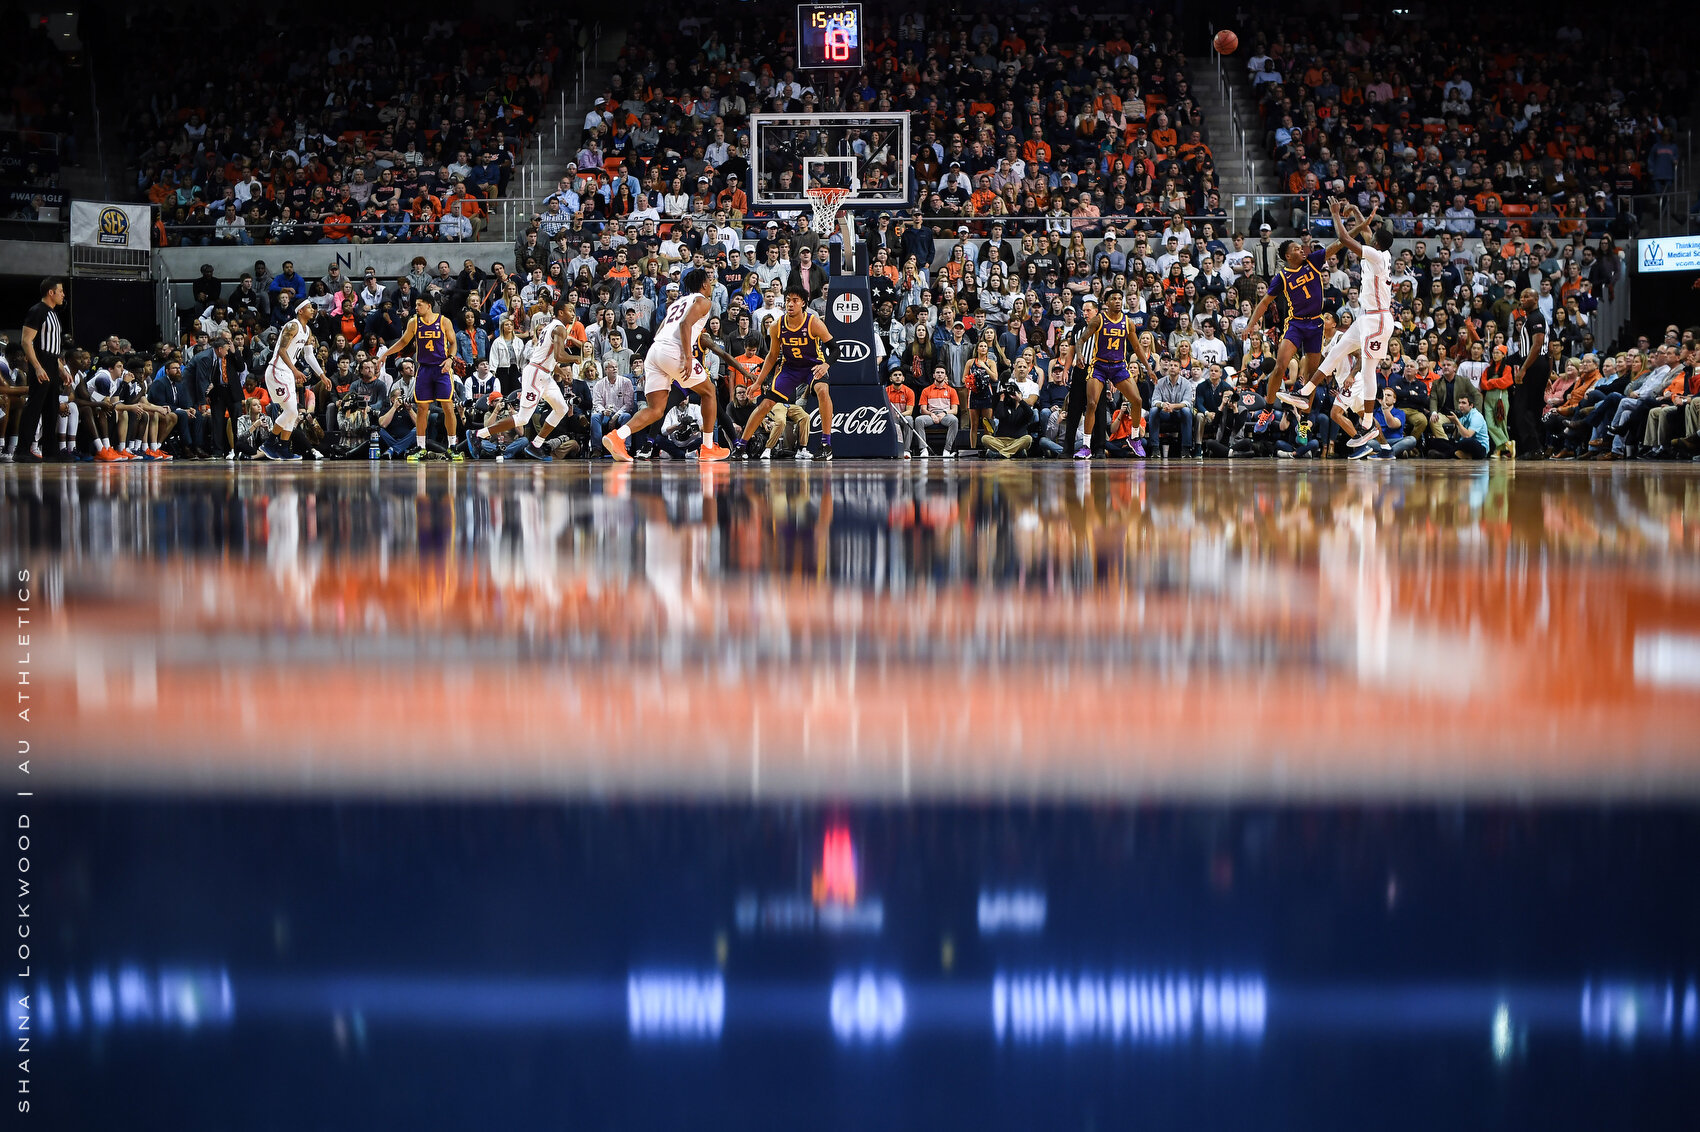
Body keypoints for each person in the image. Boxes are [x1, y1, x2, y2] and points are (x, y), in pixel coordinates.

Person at [605, 267, 736, 462]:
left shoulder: (677, 303)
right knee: (709, 391)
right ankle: (708, 447)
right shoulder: (703, 301)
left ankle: (617, 436)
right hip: (673, 351)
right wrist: (688, 357)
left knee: (656, 409)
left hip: (656, 350)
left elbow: (660, 330)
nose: (711, 286)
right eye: (710, 283)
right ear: (704, 285)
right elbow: (685, 325)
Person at [1298, 202, 1389, 451]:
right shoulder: (1382, 252)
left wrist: (1337, 215)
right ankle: (1305, 391)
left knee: (1368, 370)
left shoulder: (1377, 256)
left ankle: (1369, 425)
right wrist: (1360, 214)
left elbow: (1343, 238)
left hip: (1378, 318)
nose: (1369, 239)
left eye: (1372, 239)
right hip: (1366, 316)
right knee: (1338, 350)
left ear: (1377, 245)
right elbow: (1368, 233)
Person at [1245, 228, 1348, 407]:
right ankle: (1268, 409)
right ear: (1288, 256)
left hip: (1316, 323)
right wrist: (1250, 325)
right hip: (1296, 323)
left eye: (1302, 248)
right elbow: (1263, 303)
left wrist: (1357, 227)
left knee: (1311, 374)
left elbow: (1340, 243)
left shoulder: (1313, 261)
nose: (1301, 250)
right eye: (1296, 249)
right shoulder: (1282, 277)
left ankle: (1304, 422)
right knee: (1280, 366)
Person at [734, 284, 835, 460]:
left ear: (803, 303)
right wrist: (758, 382)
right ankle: (741, 446)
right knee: (765, 404)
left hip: (813, 366)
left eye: (795, 300)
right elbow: (772, 356)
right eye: (788, 300)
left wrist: (826, 365)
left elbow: (835, 349)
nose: (790, 304)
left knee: (822, 390)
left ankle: (826, 445)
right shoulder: (776, 326)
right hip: (790, 369)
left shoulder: (814, 322)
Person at [475, 315, 576, 460]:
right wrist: (576, 358)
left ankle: (536, 445)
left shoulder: (550, 330)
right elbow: (559, 356)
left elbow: (551, 360)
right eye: (569, 310)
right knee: (522, 418)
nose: (572, 314)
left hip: (545, 374)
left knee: (562, 408)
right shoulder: (558, 329)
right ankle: (479, 434)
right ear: (561, 312)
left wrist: (561, 373)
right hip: (536, 373)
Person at [379, 295, 463, 460]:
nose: (415, 308)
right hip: (424, 369)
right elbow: (403, 342)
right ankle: (421, 447)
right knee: (422, 408)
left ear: (429, 305)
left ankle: (452, 446)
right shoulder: (414, 322)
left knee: (447, 406)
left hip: (441, 369)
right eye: (415, 305)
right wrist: (385, 354)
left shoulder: (444, 321)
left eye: (419, 305)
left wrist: (450, 359)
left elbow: (453, 343)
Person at [1075, 288, 1150, 460]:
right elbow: (1081, 340)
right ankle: (1086, 446)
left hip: (1118, 367)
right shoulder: (1098, 320)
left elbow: (1137, 347)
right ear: (1107, 302)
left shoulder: (1127, 322)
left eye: (1119, 298)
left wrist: (1149, 368)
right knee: (1092, 403)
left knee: (1137, 400)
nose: (1117, 301)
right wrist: (1079, 354)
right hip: (1099, 365)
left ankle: (1134, 437)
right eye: (1114, 298)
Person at [16, 277, 72, 462]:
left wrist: (62, 369)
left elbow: (53, 349)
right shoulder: (37, 311)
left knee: (51, 408)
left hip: (51, 364)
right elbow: (26, 341)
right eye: (61, 291)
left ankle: (50, 451)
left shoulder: (53, 313)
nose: (63, 294)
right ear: (51, 292)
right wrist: (38, 367)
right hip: (40, 364)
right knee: (34, 407)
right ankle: (22, 450)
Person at [259, 299, 323, 460]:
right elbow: (281, 350)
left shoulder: (307, 330)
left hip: (287, 372)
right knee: (292, 411)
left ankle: (283, 449)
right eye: (309, 307)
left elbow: (309, 355)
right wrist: (295, 370)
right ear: (300, 310)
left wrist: (322, 375)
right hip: (277, 370)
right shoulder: (292, 325)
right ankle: (269, 443)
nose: (312, 310)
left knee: (292, 413)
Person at [1426, 391, 1489, 459]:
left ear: (1471, 405)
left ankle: (1445, 455)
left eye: (1464, 403)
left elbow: (1467, 435)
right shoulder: (1462, 416)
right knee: (1436, 441)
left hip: (1479, 448)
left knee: (1468, 441)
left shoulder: (1476, 416)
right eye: (1459, 403)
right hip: (1462, 444)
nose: (1460, 405)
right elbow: (1456, 438)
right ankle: (1463, 455)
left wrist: (1457, 422)